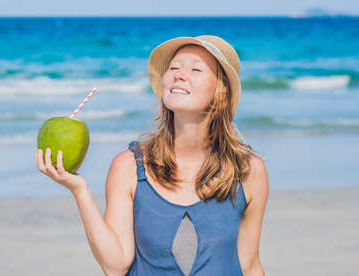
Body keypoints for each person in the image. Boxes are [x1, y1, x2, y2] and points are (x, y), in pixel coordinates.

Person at [35, 35, 269, 276]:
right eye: (174, 68)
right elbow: (115, 267)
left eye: (196, 69)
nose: (179, 74)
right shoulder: (129, 166)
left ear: (220, 92)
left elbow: (249, 265)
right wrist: (79, 190)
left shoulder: (248, 171)